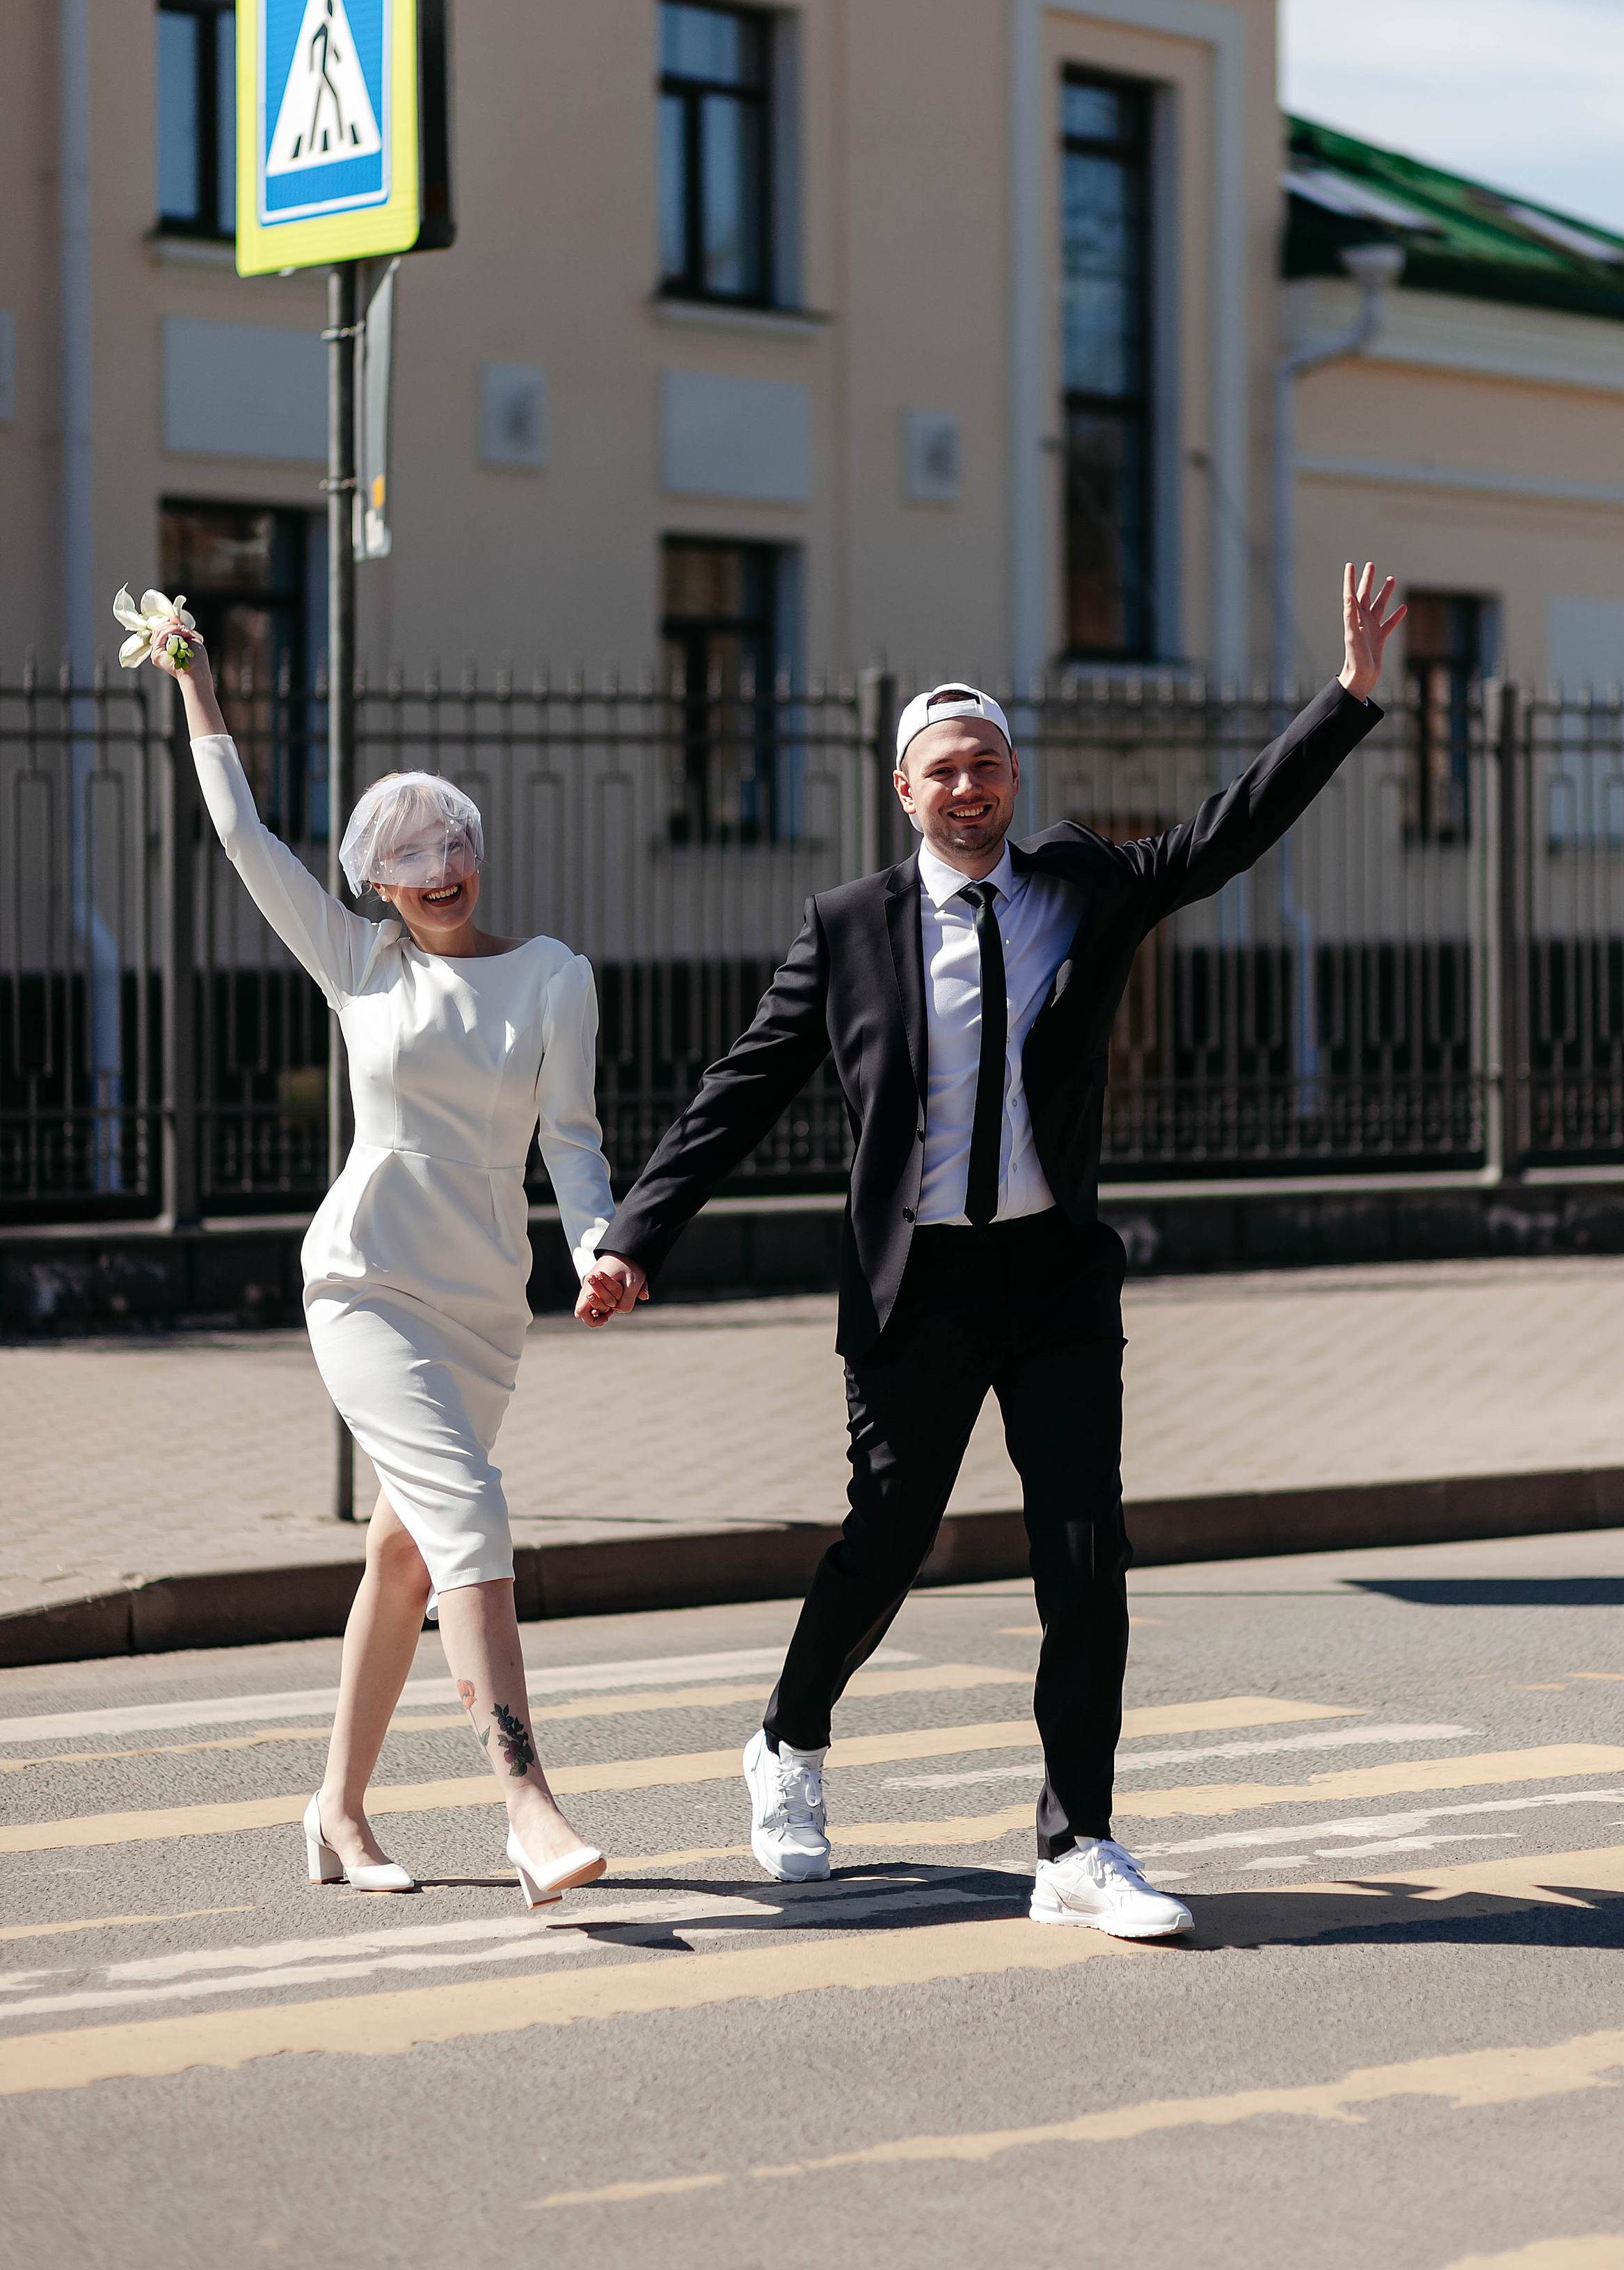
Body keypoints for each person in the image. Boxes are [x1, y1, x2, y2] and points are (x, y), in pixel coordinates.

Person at [582, 563, 1404, 1939]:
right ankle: (787, 1741)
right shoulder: (848, 933)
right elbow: (741, 1089)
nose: (969, 789)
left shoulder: (1081, 885)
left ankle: (1075, 1844)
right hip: (919, 1285)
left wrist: (1348, 698)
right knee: (887, 1540)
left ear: (1014, 778)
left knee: (1084, 1552)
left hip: (1052, 1277)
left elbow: (1224, 834)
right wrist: (633, 1238)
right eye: (943, 772)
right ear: (903, 792)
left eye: (988, 766)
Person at [150, 611, 616, 1910]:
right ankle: (527, 1802)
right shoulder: (357, 964)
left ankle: (337, 1812)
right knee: (471, 1516)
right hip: (363, 1281)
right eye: (411, 857)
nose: (442, 869)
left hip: (483, 1305)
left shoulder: (554, 980)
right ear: (378, 884)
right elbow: (244, 839)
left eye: (453, 843)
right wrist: (199, 690)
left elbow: (573, 1145)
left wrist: (597, 1247)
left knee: (405, 1555)